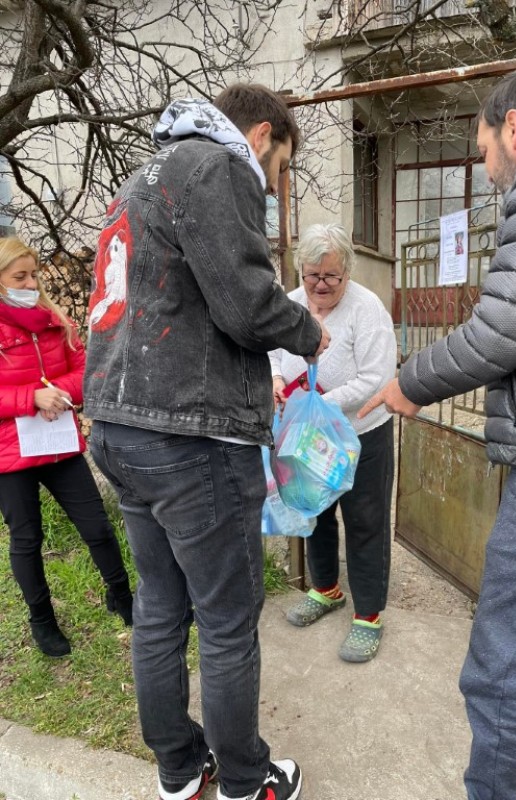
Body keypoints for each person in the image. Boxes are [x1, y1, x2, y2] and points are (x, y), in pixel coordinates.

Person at [359, 69, 516, 800]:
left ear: (515, 128)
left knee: (505, 668)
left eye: (484, 145)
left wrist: (408, 381)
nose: (487, 164)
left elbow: (504, 330)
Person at [84, 84, 329, 800]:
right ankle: (247, 782)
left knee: (161, 606)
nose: (275, 188)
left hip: (121, 426)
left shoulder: (142, 176)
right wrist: (311, 334)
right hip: (193, 435)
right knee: (226, 623)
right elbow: (249, 306)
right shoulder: (217, 167)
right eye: (280, 169)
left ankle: (180, 771)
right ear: (260, 135)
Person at [0, 237, 133, 658]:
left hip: (58, 442)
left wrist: (59, 389)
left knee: (96, 525)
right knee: (27, 538)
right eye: (19, 276)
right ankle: (42, 620)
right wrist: (30, 398)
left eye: (33, 274)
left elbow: (84, 369)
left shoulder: (53, 318)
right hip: (11, 451)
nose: (30, 282)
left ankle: (122, 596)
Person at [270, 223, 397, 663]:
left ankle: (368, 615)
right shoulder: (288, 305)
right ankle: (325, 590)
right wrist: (277, 379)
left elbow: (377, 377)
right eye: (312, 275)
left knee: (365, 520)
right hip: (308, 437)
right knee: (315, 511)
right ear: (299, 270)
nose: (320, 285)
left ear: (348, 272)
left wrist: (320, 402)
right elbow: (272, 353)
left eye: (332, 277)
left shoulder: (367, 308)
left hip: (361, 433)